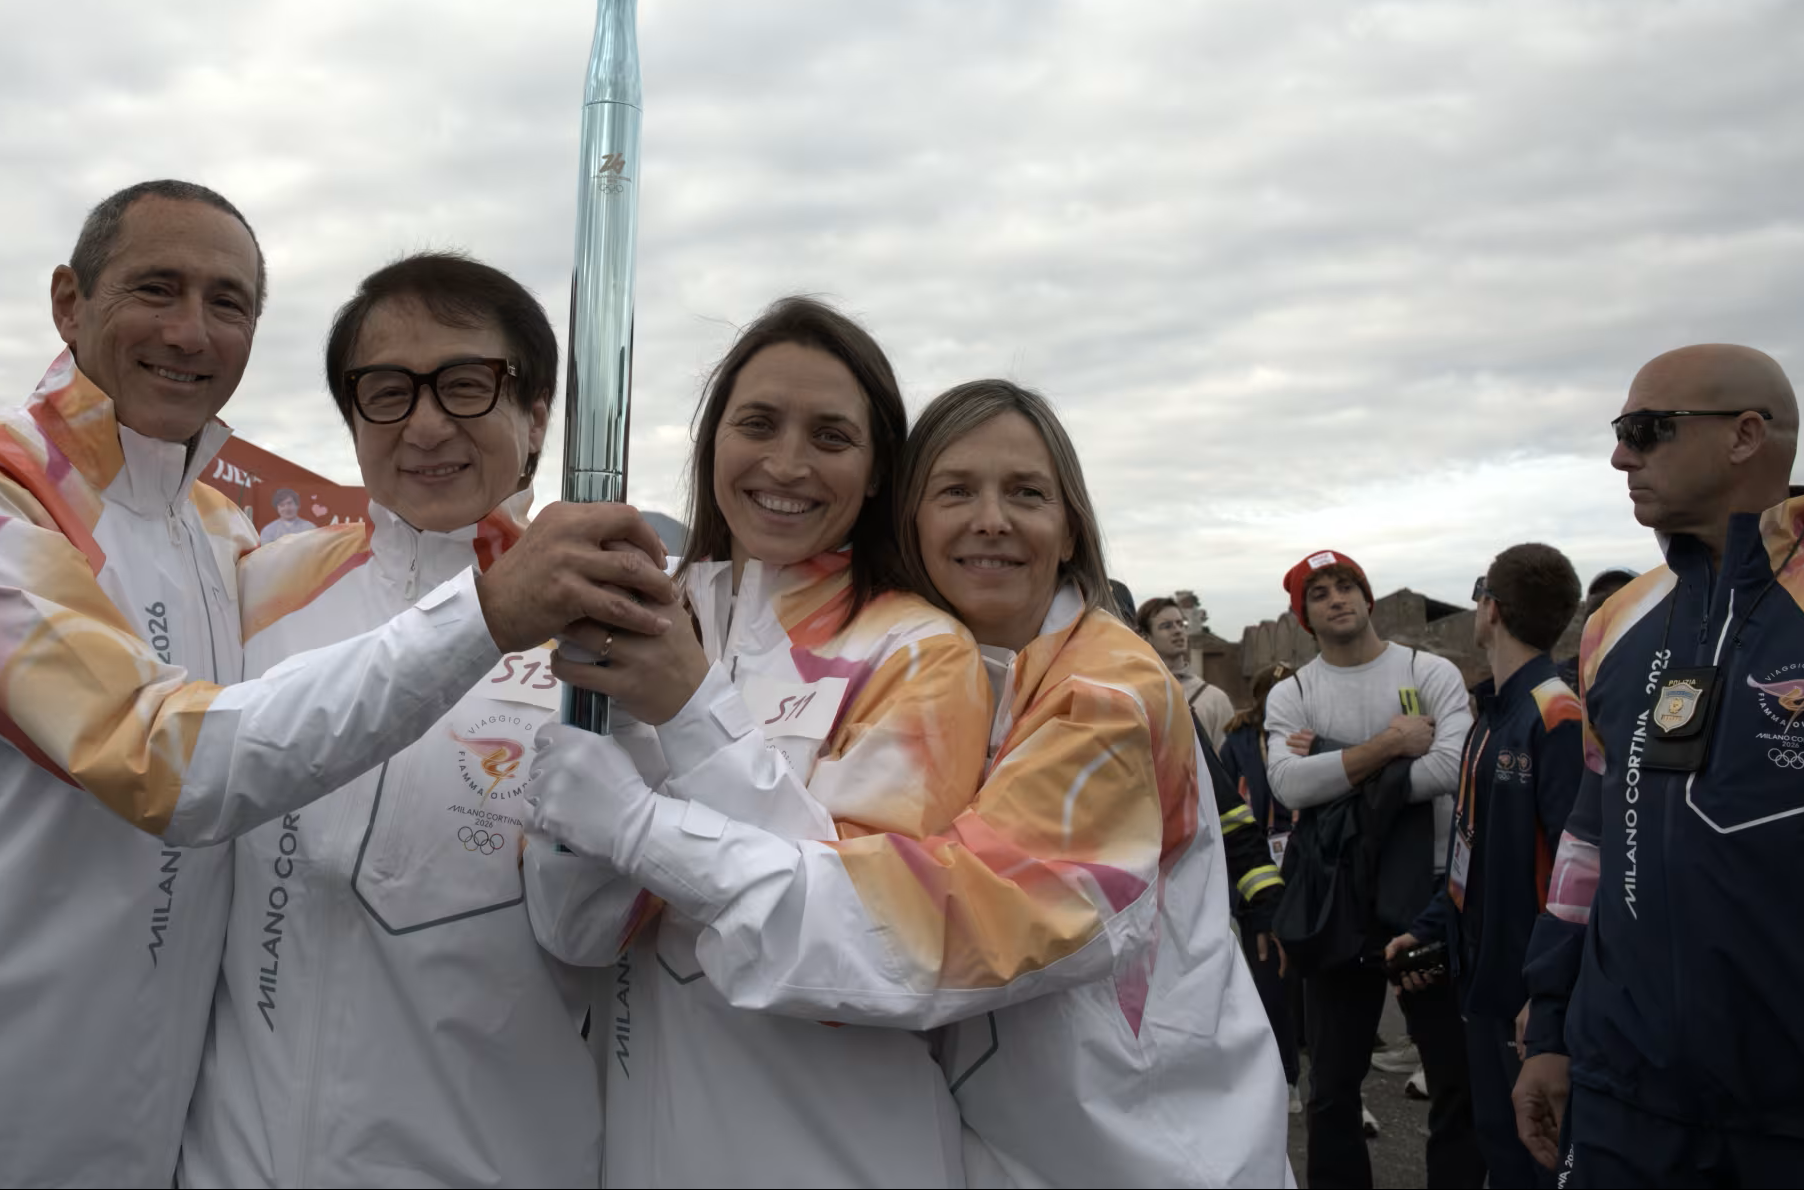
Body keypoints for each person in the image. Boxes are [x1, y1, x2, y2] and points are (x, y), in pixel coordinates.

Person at [0, 179, 675, 1187]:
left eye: (230, 303)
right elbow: (164, 753)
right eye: (156, 287)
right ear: (70, 301)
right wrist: (491, 611)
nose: (191, 330)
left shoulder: (222, 538)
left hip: (130, 1125)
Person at [531, 377, 1290, 1185]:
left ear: (1070, 527)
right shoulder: (960, 668)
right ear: (912, 519)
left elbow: (949, 925)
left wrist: (638, 827)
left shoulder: (1106, 697)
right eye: (955, 490)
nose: (990, 518)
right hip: (1010, 1148)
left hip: (1156, 1158)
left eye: (1026, 493)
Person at [528, 299, 995, 1187]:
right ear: (712, 446)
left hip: (839, 1150)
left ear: (874, 472)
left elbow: (868, 949)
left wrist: (691, 712)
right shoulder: (646, 610)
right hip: (643, 1141)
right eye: (758, 423)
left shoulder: (917, 651)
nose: (787, 463)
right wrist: (589, 802)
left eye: (830, 436)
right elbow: (578, 935)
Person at [179, 253, 601, 1185]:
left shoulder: (601, 641)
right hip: (229, 1160)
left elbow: (598, 940)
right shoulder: (258, 590)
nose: (426, 423)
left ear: (536, 414)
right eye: (387, 391)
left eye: (465, 383)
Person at [1517, 345, 1804, 1185]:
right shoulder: (1617, 621)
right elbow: (1589, 837)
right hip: (1624, 1106)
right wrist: (1552, 1025)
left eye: (1646, 430)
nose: (1620, 455)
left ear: (1746, 435)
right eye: (1621, 431)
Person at [1265, 548, 1478, 1189]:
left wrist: (1333, 764)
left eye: (1347, 585)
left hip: (1428, 892)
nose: (1337, 598)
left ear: (1368, 596)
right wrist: (1388, 745)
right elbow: (1289, 785)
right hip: (1337, 900)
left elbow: (1452, 766)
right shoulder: (1293, 692)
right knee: (1331, 1087)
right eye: (1320, 591)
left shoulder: (1430, 670)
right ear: (1304, 616)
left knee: (1454, 1079)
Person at [1379, 544, 1583, 1187]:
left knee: (1536, 1163)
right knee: (1498, 1149)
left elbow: (1579, 877)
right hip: (1484, 987)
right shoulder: (1488, 719)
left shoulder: (1558, 717)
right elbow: (1473, 853)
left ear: (1490, 609)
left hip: (1528, 1001)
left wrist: (1548, 1000)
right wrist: (1434, 926)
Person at [1223, 661, 1306, 1110]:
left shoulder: (1313, 737)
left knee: (1313, 989)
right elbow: (1231, 817)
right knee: (1271, 975)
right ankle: (1284, 1075)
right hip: (1261, 881)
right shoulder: (1237, 744)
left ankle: (1325, 1079)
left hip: (1310, 875)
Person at [1140, 594, 1236, 749]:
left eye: (1181, 624)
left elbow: (1228, 765)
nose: (1178, 630)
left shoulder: (1214, 700)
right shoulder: (1134, 694)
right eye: (1166, 626)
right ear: (1146, 637)